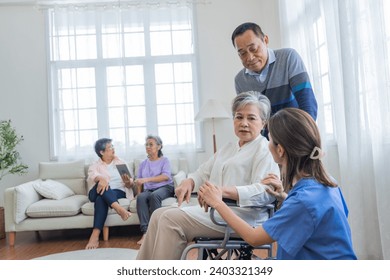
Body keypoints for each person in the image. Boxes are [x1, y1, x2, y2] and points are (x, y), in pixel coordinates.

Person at [136, 91, 280, 260]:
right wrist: (189, 181)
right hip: (214, 212)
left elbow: (265, 191)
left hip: (241, 217)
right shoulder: (228, 148)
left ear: (263, 123)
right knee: (158, 214)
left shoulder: (264, 150)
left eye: (251, 118)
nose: (244, 123)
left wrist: (222, 192)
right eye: (239, 117)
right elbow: (202, 172)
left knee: (169, 219)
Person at [199, 108, 357, 260]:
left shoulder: (303, 201)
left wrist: (218, 203)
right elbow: (314, 220)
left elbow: (253, 238)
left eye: (270, 139)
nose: (267, 143)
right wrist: (284, 197)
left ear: (280, 150)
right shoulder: (328, 183)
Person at [232, 22, 318, 122]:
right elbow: (249, 119)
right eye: (242, 53)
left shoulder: (288, 57)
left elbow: (307, 103)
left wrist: (305, 134)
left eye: (253, 49)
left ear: (265, 40)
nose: (250, 57)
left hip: (297, 131)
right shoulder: (240, 80)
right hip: (266, 137)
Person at [85, 138, 133, 249]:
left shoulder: (120, 163)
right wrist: (101, 179)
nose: (113, 149)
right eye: (110, 147)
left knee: (101, 199)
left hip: (117, 192)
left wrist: (127, 182)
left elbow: (130, 184)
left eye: (113, 146)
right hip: (96, 191)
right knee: (102, 185)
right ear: (102, 152)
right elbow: (93, 176)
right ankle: (119, 208)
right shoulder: (95, 165)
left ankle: (95, 235)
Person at [134, 135, 175, 245]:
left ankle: (157, 230)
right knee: (141, 197)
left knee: (154, 196)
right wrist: (138, 195)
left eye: (151, 144)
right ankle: (146, 232)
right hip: (149, 189)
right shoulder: (143, 164)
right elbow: (139, 181)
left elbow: (166, 176)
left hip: (165, 187)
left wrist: (146, 179)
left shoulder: (164, 160)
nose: (148, 146)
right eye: (146, 144)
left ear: (159, 146)